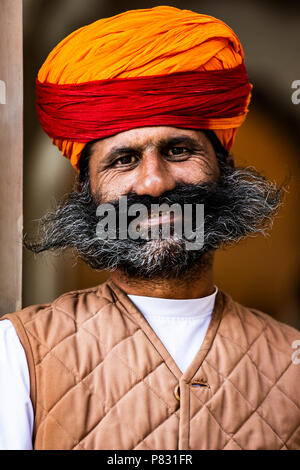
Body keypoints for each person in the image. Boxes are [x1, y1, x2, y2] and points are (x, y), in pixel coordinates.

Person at [0, 5, 299, 450]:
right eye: (123, 160)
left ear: (223, 169)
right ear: (88, 189)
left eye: (179, 150)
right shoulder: (18, 353)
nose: (155, 183)